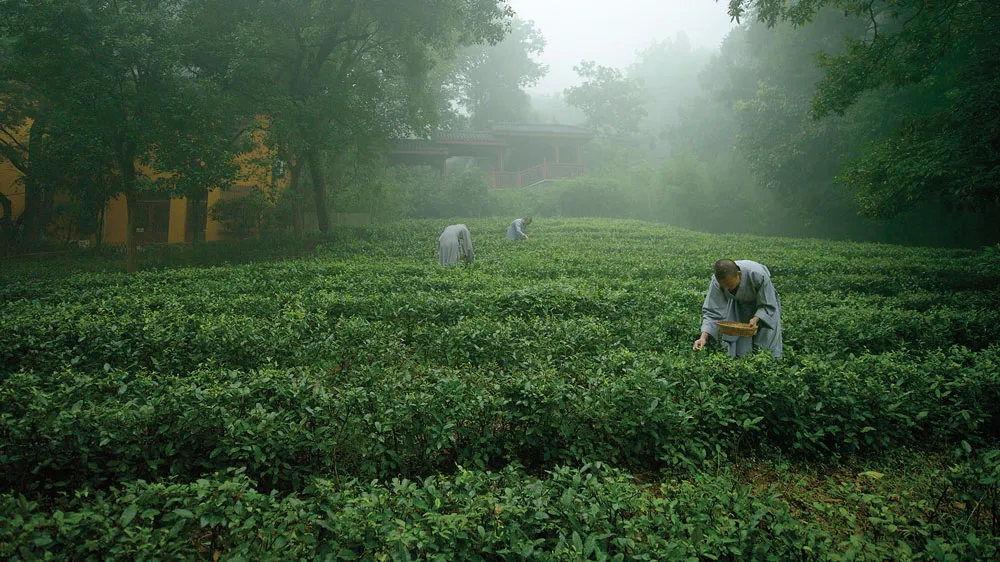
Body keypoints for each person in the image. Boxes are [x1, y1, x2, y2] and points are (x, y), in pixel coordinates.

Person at [693, 259, 782, 358]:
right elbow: (712, 310)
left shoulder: (757, 274)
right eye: (724, 287)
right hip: (738, 304)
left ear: (739, 274)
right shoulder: (717, 281)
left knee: (766, 347)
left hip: (765, 307)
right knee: (740, 347)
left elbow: (768, 304)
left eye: (729, 285)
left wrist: (756, 318)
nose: (727, 289)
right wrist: (703, 338)